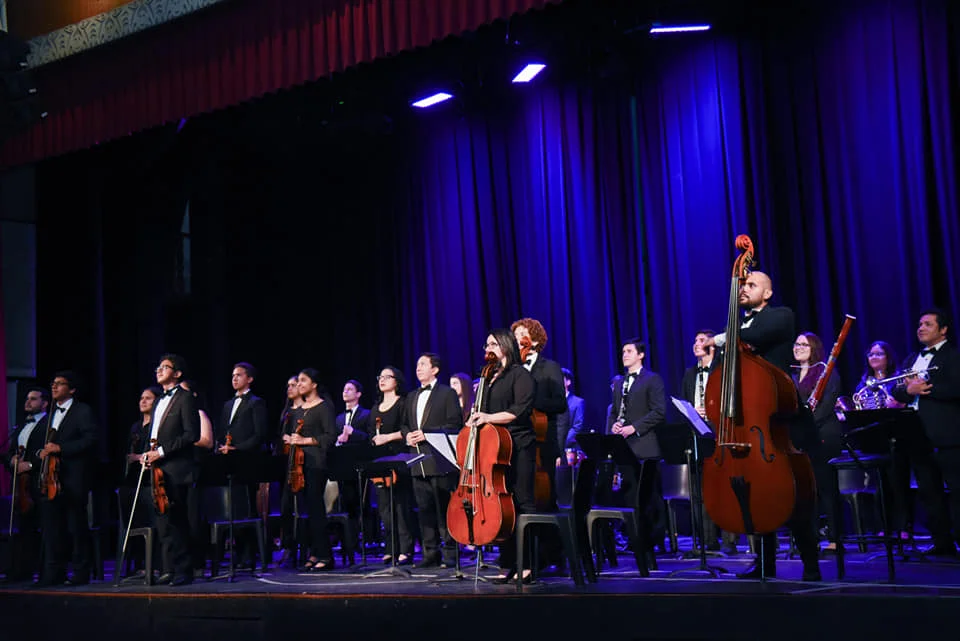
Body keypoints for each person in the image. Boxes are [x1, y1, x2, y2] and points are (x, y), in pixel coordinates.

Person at [703, 271, 821, 581]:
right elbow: (721, 368)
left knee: (795, 495)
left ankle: (811, 564)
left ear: (767, 293)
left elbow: (755, 337)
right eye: (742, 285)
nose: (744, 289)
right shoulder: (737, 326)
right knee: (759, 494)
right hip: (748, 422)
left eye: (751, 285)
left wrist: (722, 338)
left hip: (782, 421)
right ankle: (765, 563)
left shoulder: (780, 316)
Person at [891, 307, 960, 555]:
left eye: (928, 324)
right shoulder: (911, 359)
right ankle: (942, 543)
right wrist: (908, 391)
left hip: (948, 434)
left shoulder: (953, 356)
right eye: (920, 324)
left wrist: (924, 388)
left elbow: (955, 388)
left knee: (956, 489)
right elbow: (896, 390)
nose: (921, 328)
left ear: (943, 330)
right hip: (917, 435)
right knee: (929, 492)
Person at [468, 329, 535, 583]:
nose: (489, 348)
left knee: (522, 504)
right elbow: (481, 411)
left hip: (518, 447)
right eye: (486, 344)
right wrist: (473, 419)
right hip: (493, 452)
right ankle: (507, 562)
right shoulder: (488, 377)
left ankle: (526, 563)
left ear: (506, 345)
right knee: (502, 508)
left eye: (494, 343)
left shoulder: (520, 375)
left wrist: (487, 418)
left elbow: (519, 410)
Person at [36, 371, 99, 586]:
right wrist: (41, 453)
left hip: (73, 478)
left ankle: (81, 573)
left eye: (60, 384)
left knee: (75, 527)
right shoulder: (50, 413)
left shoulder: (82, 411)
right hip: (51, 479)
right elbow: (42, 444)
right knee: (53, 529)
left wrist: (61, 448)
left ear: (71, 389)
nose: (54, 387)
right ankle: (54, 573)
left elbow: (91, 439)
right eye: (53, 383)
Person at [607, 337, 666, 561]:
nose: (625, 354)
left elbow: (659, 411)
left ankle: (653, 543)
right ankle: (636, 541)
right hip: (626, 449)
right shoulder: (620, 383)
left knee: (649, 498)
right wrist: (615, 423)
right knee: (630, 496)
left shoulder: (652, 379)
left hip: (645, 447)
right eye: (623, 351)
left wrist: (635, 428)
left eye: (629, 351)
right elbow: (615, 411)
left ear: (641, 355)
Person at [679, 330, 736, 555]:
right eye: (694, 340)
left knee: (723, 489)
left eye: (701, 340)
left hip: (719, 435)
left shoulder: (722, 371)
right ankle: (707, 541)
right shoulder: (689, 373)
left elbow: (731, 402)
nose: (696, 344)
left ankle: (729, 541)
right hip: (696, 437)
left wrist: (711, 411)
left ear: (713, 346)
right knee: (700, 490)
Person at [402, 353, 462, 568]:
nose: (418, 368)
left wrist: (427, 433)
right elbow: (404, 424)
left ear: (435, 369)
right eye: (417, 364)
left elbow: (454, 424)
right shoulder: (411, 396)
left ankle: (450, 554)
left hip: (440, 458)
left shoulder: (447, 393)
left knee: (444, 508)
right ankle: (430, 553)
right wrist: (406, 434)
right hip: (417, 459)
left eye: (423, 364)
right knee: (424, 509)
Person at [281, 368, 338, 571]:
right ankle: (313, 553)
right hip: (298, 466)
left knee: (316, 509)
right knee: (304, 512)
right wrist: (289, 439)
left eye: (304, 381)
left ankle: (326, 555)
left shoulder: (324, 407)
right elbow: (290, 435)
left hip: (316, 463)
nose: (300, 384)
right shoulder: (296, 410)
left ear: (314, 384)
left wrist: (305, 440)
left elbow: (330, 436)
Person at [791, 332, 843, 553]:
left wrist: (806, 426)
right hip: (803, 437)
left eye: (804, 344)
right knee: (805, 490)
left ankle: (834, 538)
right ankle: (810, 536)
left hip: (823, 435)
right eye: (797, 343)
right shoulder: (792, 375)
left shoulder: (826, 372)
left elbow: (826, 406)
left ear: (814, 348)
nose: (799, 347)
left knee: (826, 488)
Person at [369, 366, 416, 564]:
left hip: (398, 458)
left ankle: (406, 548)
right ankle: (391, 547)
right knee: (384, 508)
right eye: (380, 376)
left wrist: (388, 437)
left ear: (397, 381)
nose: (383, 380)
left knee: (400, 505)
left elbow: (406, 429)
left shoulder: (402, 403)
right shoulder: (375, 407)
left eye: (388, 377)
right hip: (380, 461)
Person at [3, 388, 50, 581]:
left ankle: (44, 570)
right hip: (21, 484)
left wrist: (29, 464)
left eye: (33, 399)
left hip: (40, 481)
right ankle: (20, 570)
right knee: (24, 527)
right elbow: (11, 452)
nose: (28, 402)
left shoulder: (48, 424)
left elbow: (46, 453)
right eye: (27, 398)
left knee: (42, 527)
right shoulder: (21, 426)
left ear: (44, 403)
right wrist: (12, 461)